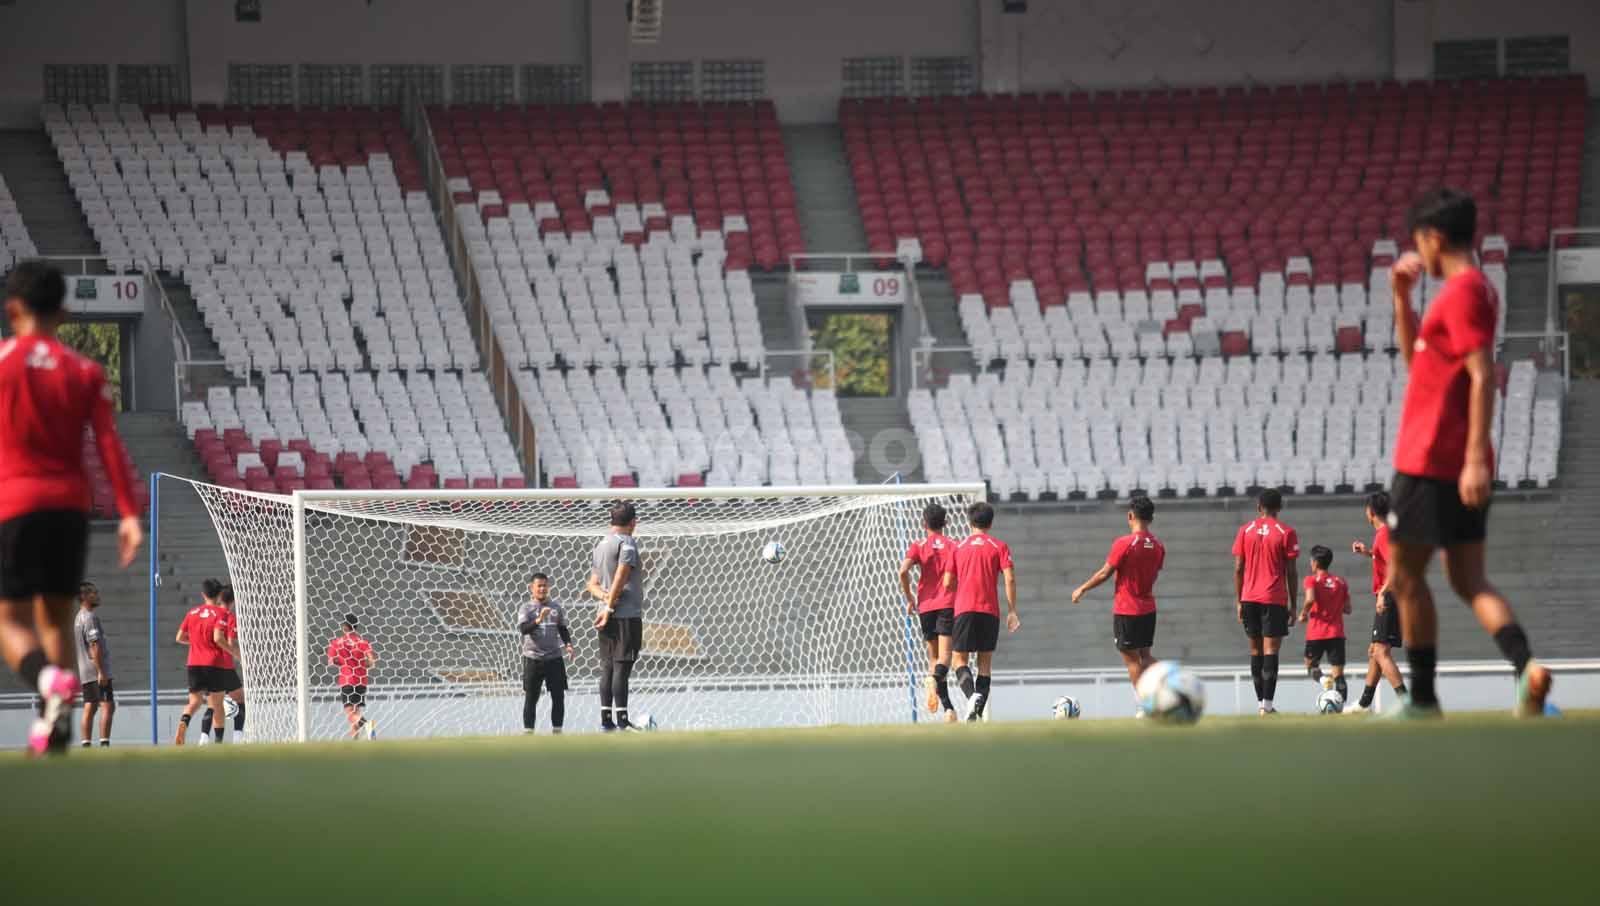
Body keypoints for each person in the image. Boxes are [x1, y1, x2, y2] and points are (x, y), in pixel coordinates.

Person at [1386, 188, 1552, 717]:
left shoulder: (1463, 293)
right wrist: (1401, 300)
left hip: (1431, 461)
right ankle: (1527, 667)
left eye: (1419, 241)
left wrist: (1474, 457)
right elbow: (1418, 364)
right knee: (1468, 579)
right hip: (1453, 463)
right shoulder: (1468, 292)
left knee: (1403, 578)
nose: (1419, 252)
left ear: (1433, 238)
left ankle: (1423, 700)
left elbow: (1483, 376)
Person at [0, 261, 142, 756]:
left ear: (12, 309)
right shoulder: (85, 371)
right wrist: (129, 513)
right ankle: (56, 727)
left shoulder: (3, 363)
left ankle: (47, 681)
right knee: (55, 620)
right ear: (63, 312)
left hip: (15, 505)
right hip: (69, 510)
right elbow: (109, 444)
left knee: (10, 621)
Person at [1070, 495, 1164, 716]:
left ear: (1130, 516)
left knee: (1132, 661)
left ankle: (1146, 705)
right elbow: (1153, 573)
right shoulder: (1159, 546)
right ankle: (1169, 680)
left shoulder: (1124, 543)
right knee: (1146, 656)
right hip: (1148, 608)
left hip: (1127, 609)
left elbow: (1105, 572)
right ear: (1151, 518)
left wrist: (1082, 588)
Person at [944, 501, 1019, 722]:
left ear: (970, 522)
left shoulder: (958, 547)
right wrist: (1012, 610)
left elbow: (947, 582)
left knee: (959, 660)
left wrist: (963, 585)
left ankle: (971, 698)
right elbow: (1010, 578)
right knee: (984, 663)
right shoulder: (999, 546)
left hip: (964, 609)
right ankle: (975, 712)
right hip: (989, 611)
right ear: (991, 523)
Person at [1232, 488, 1300, 716]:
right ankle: (1267, 706)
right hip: (1274, 598)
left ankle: (1260, 702)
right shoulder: (1286, 532)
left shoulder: (1244, 530)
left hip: (1249, 597)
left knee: (1255, 651)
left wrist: (1239, 601)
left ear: (1258, 507)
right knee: (1271, 651)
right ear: (1280, 507)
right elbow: (1292, 572)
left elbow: (1238, 568)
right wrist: (1293, 605)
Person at [897, 502, 958, 722]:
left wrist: (910, 598)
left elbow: (903, 571)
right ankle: (934, 682)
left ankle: (949, 709)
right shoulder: (953, 546)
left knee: (933, 659)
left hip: (925, 606)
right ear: (946, 523)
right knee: (945, 658)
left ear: (924, 523)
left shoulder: (918, 545)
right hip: (947, 604)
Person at [587, 501, 645, 732]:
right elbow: (622, 574)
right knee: (621, 667)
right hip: (624, 615)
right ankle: (622, 721)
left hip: (603, 614)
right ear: (633, 522)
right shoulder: (627, 542)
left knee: (608, 668)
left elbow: (591, 584)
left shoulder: (600, 545)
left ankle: (606, 721)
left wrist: (604, 599)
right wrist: (611, 606)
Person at [1349, 491, 1408, 712]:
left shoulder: (1383, 534)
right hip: (1393, 594)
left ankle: (1407, 702)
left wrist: (1383, 593)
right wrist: (1368, 552)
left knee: (1381, 652)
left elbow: (1396, 566)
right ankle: (1364, 703)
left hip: (1390, 595)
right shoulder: (1385, 534)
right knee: (1375, 650)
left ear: (1371, 512)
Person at [175, 579, 229, 745]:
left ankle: (184, 721)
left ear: (203, 595)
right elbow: (218, 638)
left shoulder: (192, 613)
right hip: (214, 663)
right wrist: (232, 651)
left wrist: (197, 642)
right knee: (217, 705)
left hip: (194, 663)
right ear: (219, 594)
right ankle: (218, 742)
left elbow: (179, 637)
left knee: (195, 702)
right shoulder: (221, 613)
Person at [518, 572, 573, 735]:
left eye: (545, 585)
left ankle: (557, 732)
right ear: (532, 588)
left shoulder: (556, 607)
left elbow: (562, 628)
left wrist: (568, 644)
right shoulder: (526, 608)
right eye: (539, 586)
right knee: (531, 698)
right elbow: (523, 629)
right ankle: (528, 733)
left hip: (554, 658)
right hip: (533, 658)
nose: (542, 589)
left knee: (558, 696)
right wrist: (539, 619)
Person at [1298, 546, 1352, 704]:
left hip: (1316, 633)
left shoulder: (1311, 580)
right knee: (1339, 675)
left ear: (1315, 563)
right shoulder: (1341, 582)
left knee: (1310, 666)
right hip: (1337, 633)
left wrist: (1303, 613)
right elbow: (1348, 609)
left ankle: (1323, 680)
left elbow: (1310, 599)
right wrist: (1334, 606)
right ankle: (1340, 707)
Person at [200, 584, 246, 743]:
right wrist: (239, 655)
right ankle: (237, 737)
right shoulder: (229, 617)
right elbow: (231, 642)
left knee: (212, 705)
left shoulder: (211, 615)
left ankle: (204, 738)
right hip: (225, 667)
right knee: (240, 701)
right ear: (233, 601)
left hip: (208, 666)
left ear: (219, 598)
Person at [74, 582, 114, 747]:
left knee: (90, 706)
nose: (97, 596)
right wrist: (101, 671)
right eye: (94, 593)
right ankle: (104, 745)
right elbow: (94, 645)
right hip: (95, 669)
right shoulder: (90, 618)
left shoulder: (78, 617)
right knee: (107, 706)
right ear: (84, 596)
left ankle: (86, 745)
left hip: (84, 669)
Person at [327, 613, 377, 739]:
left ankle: (367, 724)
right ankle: (355, 741)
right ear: (356, 626)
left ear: (344, 627)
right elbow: (372, 661)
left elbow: (332, 661)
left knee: (350, 713)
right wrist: (361, 664)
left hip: (347, 680)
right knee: (356, 712)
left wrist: (344, 662)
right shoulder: (363, 642)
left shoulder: (336, 643)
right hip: (361, 681)